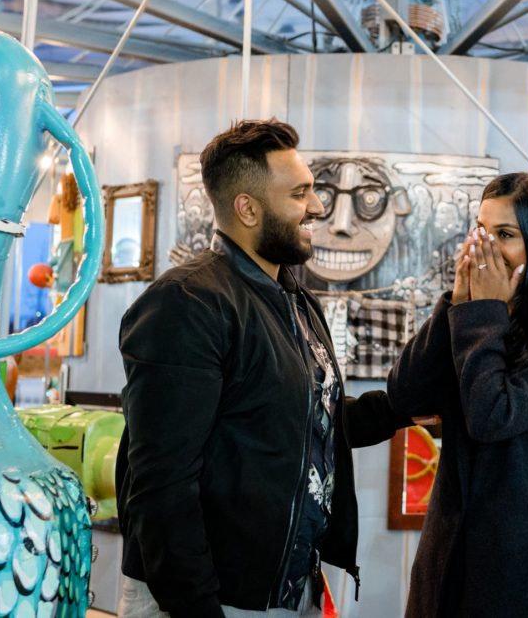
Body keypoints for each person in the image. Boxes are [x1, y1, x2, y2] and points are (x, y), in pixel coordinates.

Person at [116, 119, 409, 618]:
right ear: (248, 208)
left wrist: (407, 406)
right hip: (213, 598)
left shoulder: (293, 298)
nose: (317, 207)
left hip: (287, 589)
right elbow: (161, 485)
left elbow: (306, 421)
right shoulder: (188, 301)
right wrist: (199, 608)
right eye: (300, 194)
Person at [388, 172, 528, 617]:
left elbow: (495, 414)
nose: (484, 248)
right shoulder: (476, 316)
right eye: (480, 232)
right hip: (454, 539)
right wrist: (455, 301)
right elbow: (405, 395)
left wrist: (481, 312)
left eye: (504, 235)